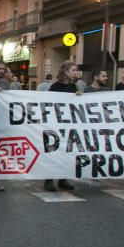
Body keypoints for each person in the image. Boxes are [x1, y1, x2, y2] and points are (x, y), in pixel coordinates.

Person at [43, 61, 81, 192]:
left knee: (66, 151)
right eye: (73, 70)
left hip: (68, 125)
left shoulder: (74, 87)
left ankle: (62, 179)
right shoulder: (54, 87)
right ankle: (48, 179)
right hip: (55, 125)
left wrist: (79, 98)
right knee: (53, 151)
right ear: (65, 72)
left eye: (76, 70)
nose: (76, 73)